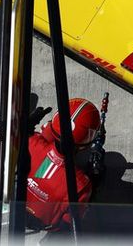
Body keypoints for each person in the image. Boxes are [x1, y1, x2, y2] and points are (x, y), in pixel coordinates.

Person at [26, 97, 102, 232]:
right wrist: (94, 180)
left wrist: (27, 126)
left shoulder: (31, 144)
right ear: (85, 145)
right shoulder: (81, 184)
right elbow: (70, 222)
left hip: (17, 209)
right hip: (48, 226)